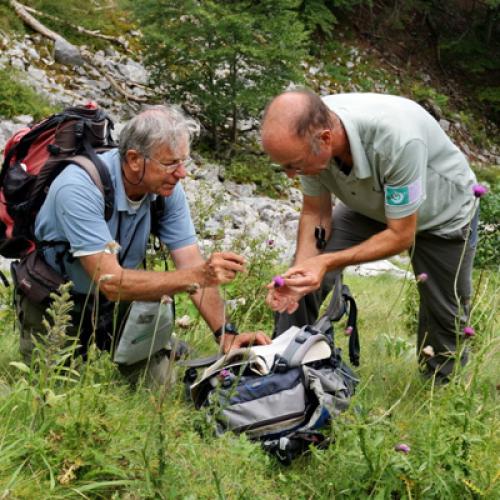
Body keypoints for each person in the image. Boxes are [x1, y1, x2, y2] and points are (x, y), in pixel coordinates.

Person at [15, 104, 270, 383]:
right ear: (135, 159)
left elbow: (192, 263)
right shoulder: (78, 187)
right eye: (171, 163)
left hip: (120, 303)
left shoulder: (166, 189)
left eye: (184, 161)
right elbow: (110, 281)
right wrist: (194, 277)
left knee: (167, 387)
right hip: (57, 302)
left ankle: (157, 350)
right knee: (49, 389)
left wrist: (227, 335)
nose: (182, 173)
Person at [260, 89, 478, 382]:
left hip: (443, 215)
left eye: (294, 165)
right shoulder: (306, 136)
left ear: (325, 139)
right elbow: (316, 213)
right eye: (283, 166)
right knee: (303, 279)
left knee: (444, 317)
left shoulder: (398, 140)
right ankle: (282, 367)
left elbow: (401, 235)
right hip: (368, 205)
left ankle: (439, 396)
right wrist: (302, 271)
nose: (290, 174)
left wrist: (324, 262)